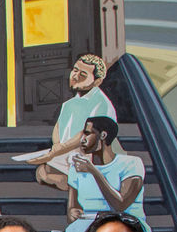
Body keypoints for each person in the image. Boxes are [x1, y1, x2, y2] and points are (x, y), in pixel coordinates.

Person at [60, 116, 147, 232]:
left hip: (127, 224)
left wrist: (94, 171)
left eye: (88, 133)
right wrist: (74, 213)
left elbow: (121, 205)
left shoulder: (131, 164)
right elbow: (71, 211)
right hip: (89, 225)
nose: (82, 139)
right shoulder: (77, 168)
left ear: (103, 135)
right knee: (74, 229)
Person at [29, 54, 116, 191]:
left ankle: (71, 183)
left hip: (87, 154)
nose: (75, 76)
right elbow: (58, 127)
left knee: (47, 174)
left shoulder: (101, 103)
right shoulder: (68, 104)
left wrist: (58, 150)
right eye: (75, 70)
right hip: (64, 154)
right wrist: (57, 146)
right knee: (42, 172)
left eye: (83, 75)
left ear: (97, 81)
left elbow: (88, 134)